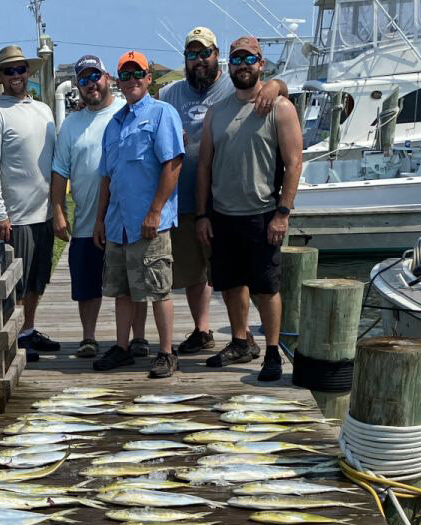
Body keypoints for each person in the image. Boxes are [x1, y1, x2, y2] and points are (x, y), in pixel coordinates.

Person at [160, 27, 287, 359]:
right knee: (198, 273)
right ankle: (206, 331)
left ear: (218, 56)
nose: (199, 60)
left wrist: (275, 84)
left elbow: (274, 87)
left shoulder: (236, 84)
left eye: (205, 53)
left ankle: (258, 342)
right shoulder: (171, 93)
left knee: (254, 280)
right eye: (192, 54)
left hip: (237, 203)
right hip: (187, 200)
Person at [194, 36, 303, 382]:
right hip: (224, 215)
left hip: (263, 214)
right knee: (231, 283)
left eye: (249, 59)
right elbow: (205, 168)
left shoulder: (280, 107)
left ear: (261, 64)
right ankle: (240, 342)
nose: (243, 65)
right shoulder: (217, 112)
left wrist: (282, 212)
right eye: (236, 59)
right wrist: (202, 215)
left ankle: (272, 351)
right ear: (230, 66)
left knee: (266, 287)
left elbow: (295, 162)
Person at [94, 51, 185, 379]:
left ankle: (166, 352)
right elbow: (106, 176)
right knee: (121, 290)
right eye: (126, 74)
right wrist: (100, 219)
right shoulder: (114, 123)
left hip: (149, 224)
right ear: (118, 80)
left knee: (158, 289)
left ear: (149, 78)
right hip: (117, 224)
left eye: (138, 74)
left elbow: (172, 164)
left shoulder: (162, 113)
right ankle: (122, 347)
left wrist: (155, 212)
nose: (132, 80)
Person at [49, 55, 142, 359]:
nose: (91, 84)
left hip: (124, 219)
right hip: (87, 218)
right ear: (77, 85)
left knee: (131, 284)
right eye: (84, 79)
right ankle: (88, 337)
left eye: (95, 76)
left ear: (107, 78)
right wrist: (59, 210)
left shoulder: (126, 111)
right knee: (87, 285)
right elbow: (60, 170)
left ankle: (136, 338)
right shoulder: (72, 124)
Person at [0, 44, 60, 354]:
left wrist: (58, 207)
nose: (16, 75)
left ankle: (28, 331)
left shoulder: (43, 109)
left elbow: (55, 161)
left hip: (45, 213)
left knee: (38, 280)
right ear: (1, 76)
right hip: (16, 217)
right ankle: (11, 337)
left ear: (28, 72)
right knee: (16, 284)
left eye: (20, 69)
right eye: (9, 71)